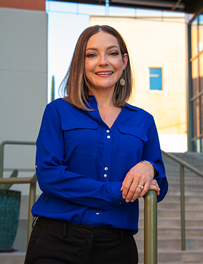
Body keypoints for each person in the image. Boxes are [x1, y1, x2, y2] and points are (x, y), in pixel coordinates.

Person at [24, 25, 168, 264]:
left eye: (112, 53)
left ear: (124, 61)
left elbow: (159, 185)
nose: (103, 62)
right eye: (91, 55)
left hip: (117, 248)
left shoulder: (144, 120)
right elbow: (49, 176)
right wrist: (117, 192)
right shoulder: (57, 111)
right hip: (57, 242)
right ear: (81, 63)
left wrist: (149, 167)